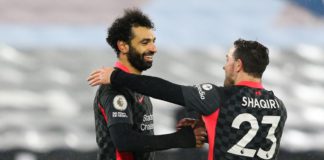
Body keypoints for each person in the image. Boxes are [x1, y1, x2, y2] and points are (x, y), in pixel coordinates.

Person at [88, 39, 287, 160]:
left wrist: (115, 76)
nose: (224, 66)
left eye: (227, 60)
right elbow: (247, 140)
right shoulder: (279, 107)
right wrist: (209, 130)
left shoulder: (218, 96)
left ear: (238, 65)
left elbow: (166, 90)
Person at [90, 8, 206, 160]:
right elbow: (124, 141)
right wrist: (179, 139)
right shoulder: (114, 88)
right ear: (123, 46)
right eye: (145, 42)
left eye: (153, 41)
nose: (153, 48)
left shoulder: (138, 86)